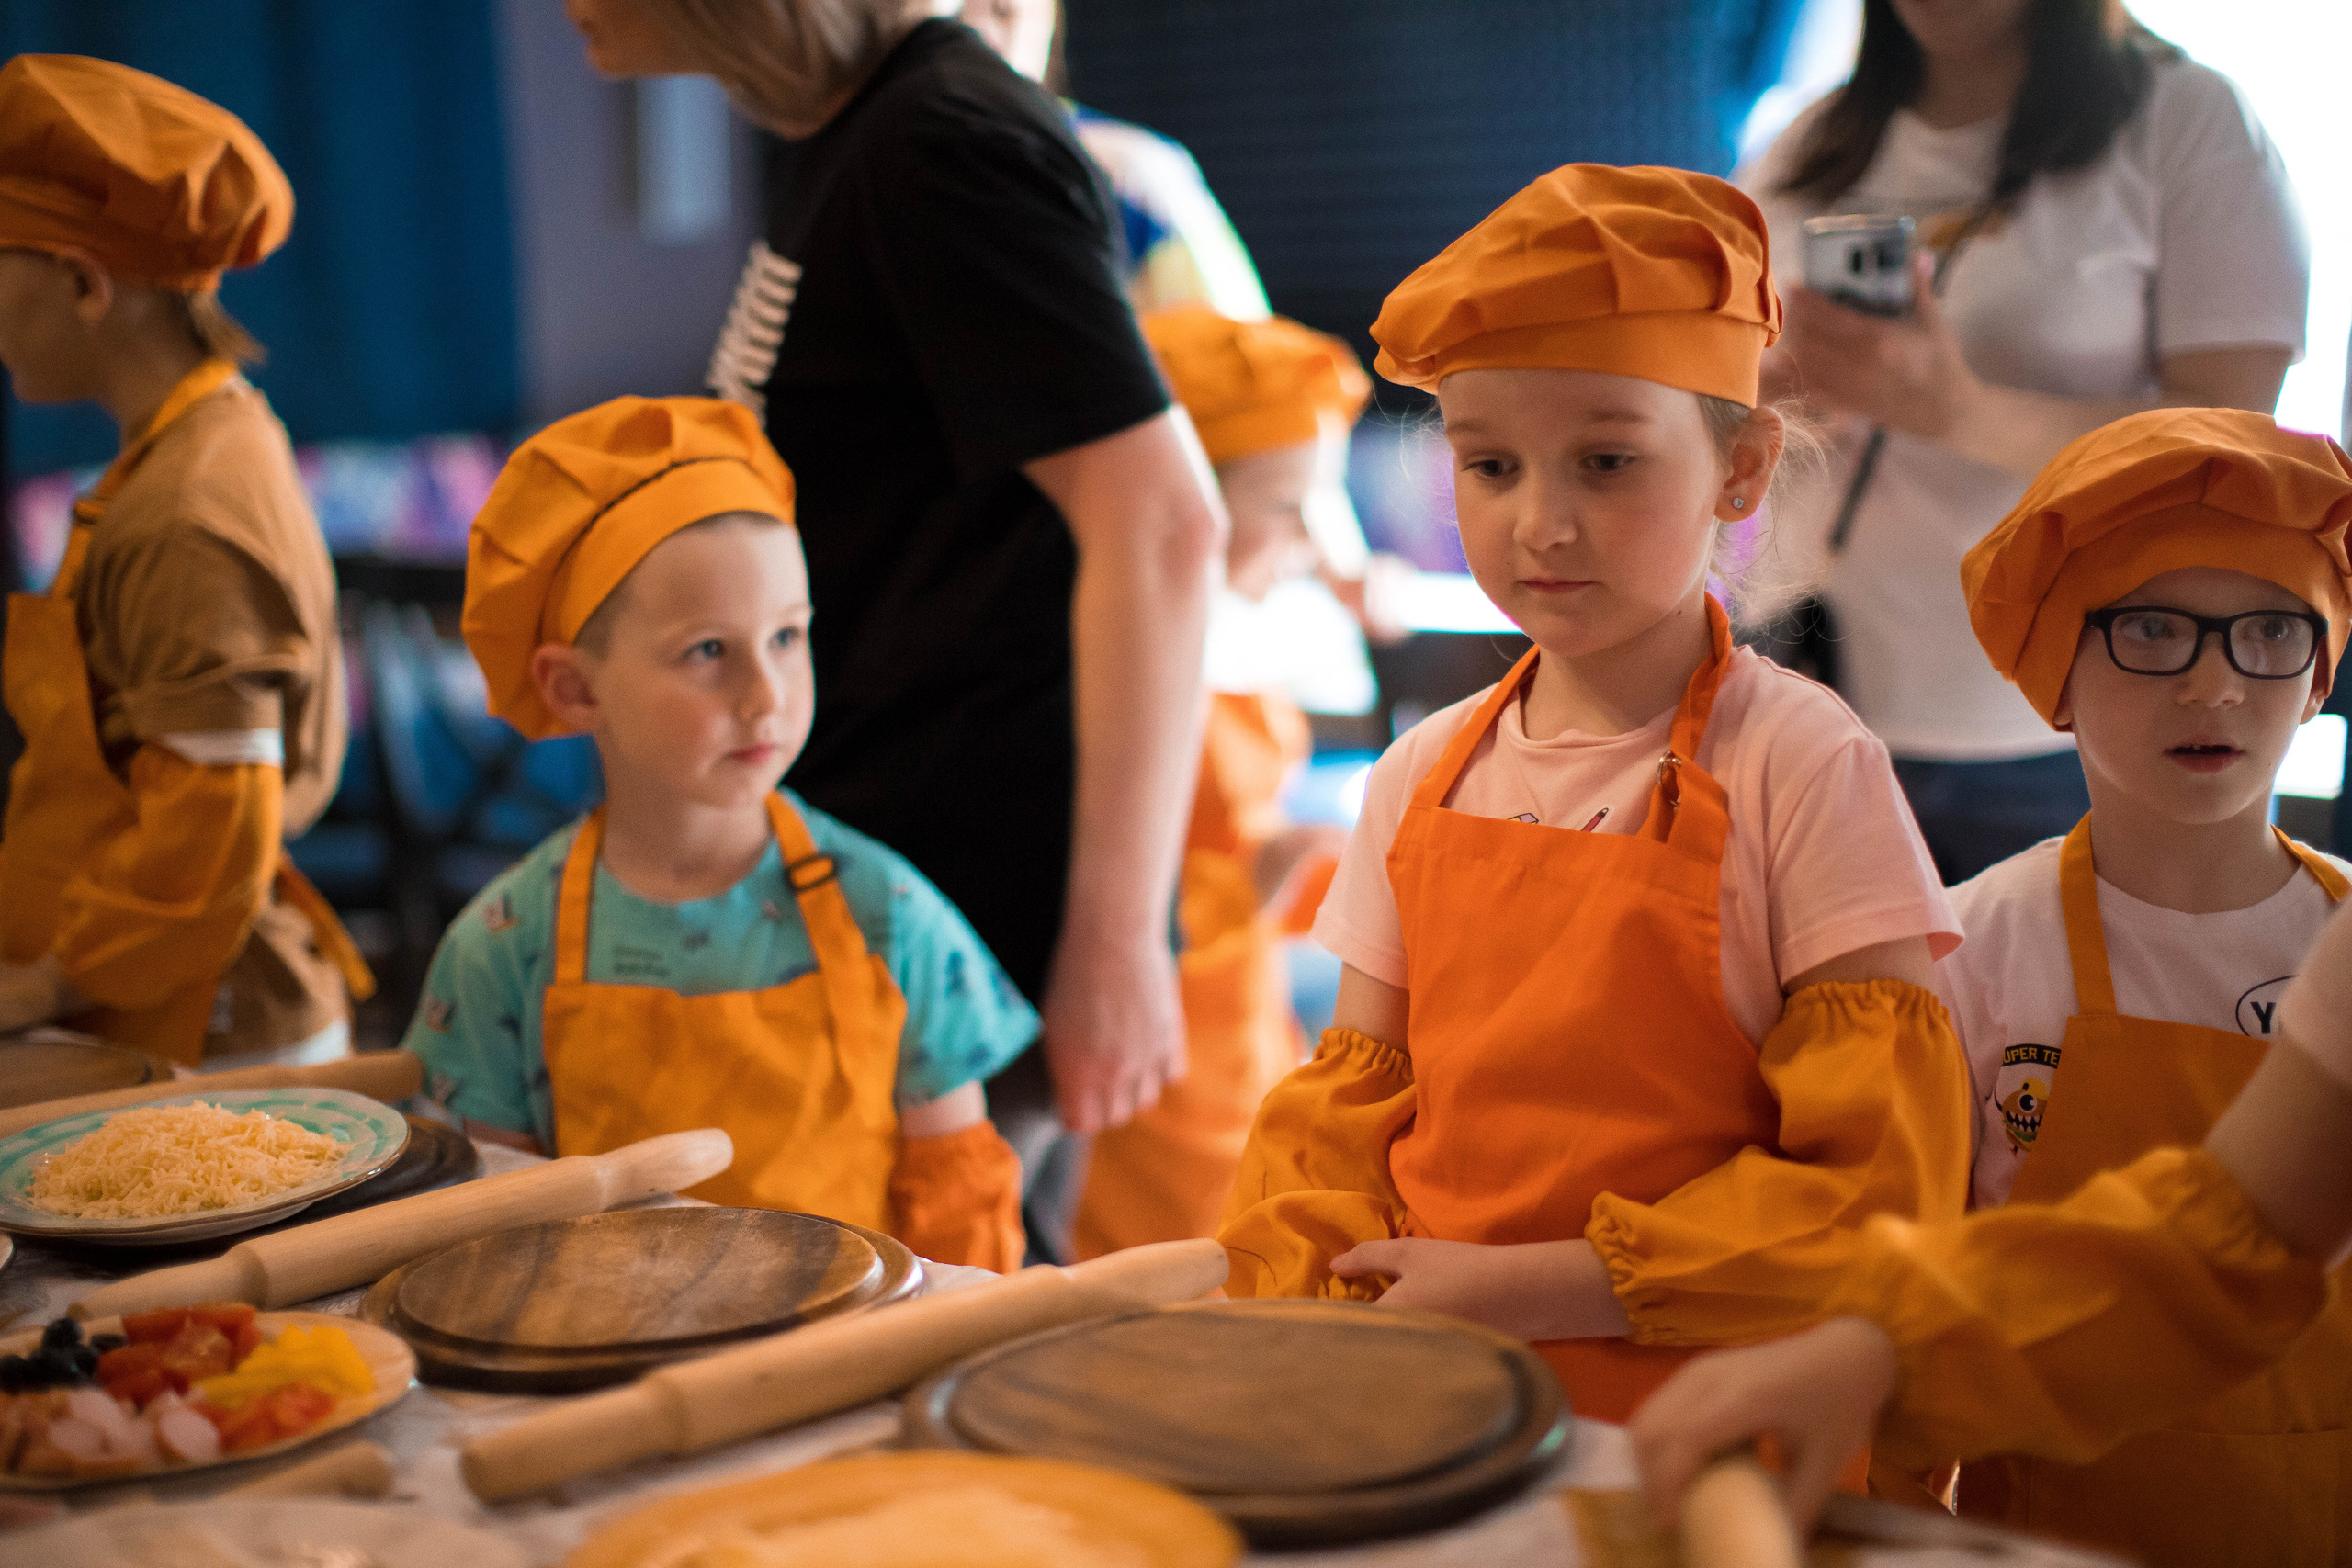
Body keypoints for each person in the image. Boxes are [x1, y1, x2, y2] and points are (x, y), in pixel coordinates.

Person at [1216, 164, 1974, 1431]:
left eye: (1607, 460)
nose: (1542, 523)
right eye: (1492, 464)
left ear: (1741, 467)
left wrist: (1541, 1287)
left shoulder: (1801, 763)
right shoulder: (1426, 770)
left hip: (1715, 1423)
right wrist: (1301, 1306)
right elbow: (1341, 1116)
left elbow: (1878, 1185)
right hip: (1439, 1406)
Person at [1630, 411, 2352, 1566]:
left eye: (2269, 633)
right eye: (2151, 631)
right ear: (2052, 668)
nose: (2215, 685)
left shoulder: (2340, 934)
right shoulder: (1972, 948)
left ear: (2317, 671)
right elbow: (1929, 1248)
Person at [567, 0, 1226, 1258]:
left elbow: (1163, 528)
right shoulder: (860, 137)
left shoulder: (942, 144)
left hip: (968, 926)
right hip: (882, 896)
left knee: (950, 1344)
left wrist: (1115, 942)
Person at [407, 396, 1037, 1271]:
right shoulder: (504, 950)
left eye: (786, 636)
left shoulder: (889, 917)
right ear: (573, 690)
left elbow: (961, 1223)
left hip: (863, 1378)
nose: (766, 694)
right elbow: (500, 1244)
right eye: (708, 650)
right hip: (611, 1385)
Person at [1740, 0, 2308, 883]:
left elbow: (2236, 450)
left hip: (2082, 729)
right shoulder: (1806, 141)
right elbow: (1715, 403)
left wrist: (1958, 410)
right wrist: (1767, 391)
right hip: (1814, 700)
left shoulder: (2187, 121)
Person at [0, 55, 371, 1066]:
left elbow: (208, 851)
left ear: (84, 282)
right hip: (136, 1003)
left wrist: (36, 987)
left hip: (199, 1035)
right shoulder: (184, 447)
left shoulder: (189, 512)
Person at [1070, 305, 1363, 1258]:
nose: (1312, 546)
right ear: (1196, 501)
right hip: (1156, 1072)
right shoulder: (1113, 674)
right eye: (1284, 507)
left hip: (1241, 1025)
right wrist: (1261, 874)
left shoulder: (1227, 641)